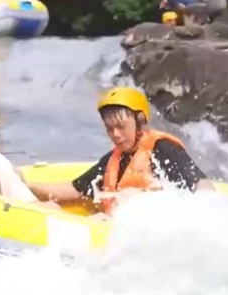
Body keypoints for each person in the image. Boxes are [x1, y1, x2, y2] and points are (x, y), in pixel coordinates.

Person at [26, 87, 213, 216]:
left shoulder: (164, 149)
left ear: (140, 121)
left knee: (128, 197)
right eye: (109, 128)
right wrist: (26, 184)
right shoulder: (112, 161)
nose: (115, 134)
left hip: (154, 232)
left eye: (121, 127)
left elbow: (202, 186)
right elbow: (73, 190)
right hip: (118, 231)